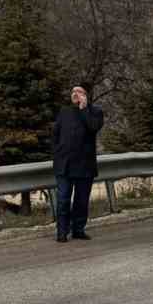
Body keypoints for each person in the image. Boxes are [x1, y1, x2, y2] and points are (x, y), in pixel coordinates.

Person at [51, 85, 104, 242]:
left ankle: (78, 229)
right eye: (73, 92)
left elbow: (93, 127)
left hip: (84, 165)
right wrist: (57, 153)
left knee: (81, 200)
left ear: (86, 96)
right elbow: (55, 134)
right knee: (63, 199)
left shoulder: (95, 112)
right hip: (64, 164)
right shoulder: (64, 112)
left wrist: (83, 110)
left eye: (79, 92)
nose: (75, 94)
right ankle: (62, 232)